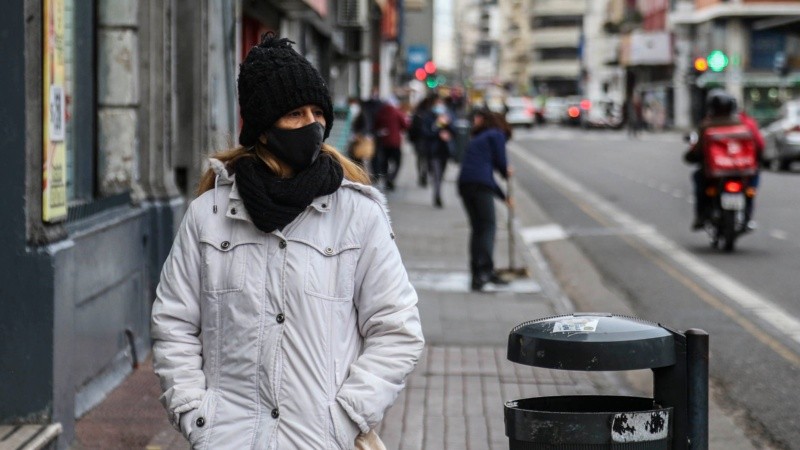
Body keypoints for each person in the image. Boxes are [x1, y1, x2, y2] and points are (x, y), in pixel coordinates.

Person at [151, 33, 424, 450]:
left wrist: (345, 418)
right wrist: (197, 416)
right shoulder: (208, 216)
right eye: (295, 114)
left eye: (318, 112)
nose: (311, 124)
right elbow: (174, 324)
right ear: (262, 130)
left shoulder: (358, 215)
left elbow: (397, 330)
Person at [684, 89, 757, 230]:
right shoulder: (741, 124)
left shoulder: (706, 125)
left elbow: (697, 150)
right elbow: (757, 147)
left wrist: (691, 156)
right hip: (741, 170)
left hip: (714, 174)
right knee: (751, 186)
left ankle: (701, 215)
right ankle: (747, 217)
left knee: (698, 180)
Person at [457, 109, 513, 291]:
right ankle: (485, 272)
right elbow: (500, 162)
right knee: (488, 228)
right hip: (480, 186)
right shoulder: (496, 134)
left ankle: (477, 273)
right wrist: (506, 171)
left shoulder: (479, 138)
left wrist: (503, 197)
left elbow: (484, 174)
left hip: (466, 184)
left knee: (478, 229)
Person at [422, 97, 454, 208]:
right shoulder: (429, 117)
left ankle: (437, 191)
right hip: (434, 151)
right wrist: (439, 127)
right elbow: (426, 133)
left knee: (441, 175)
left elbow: (453, 131)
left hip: (445, 151)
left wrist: (447, 124)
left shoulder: (447, 116)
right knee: (437, 174)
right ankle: (437, 196)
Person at [373, 99, 409, 190]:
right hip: (395, 142)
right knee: (397, 162)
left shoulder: (380, 113)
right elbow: (405, 125)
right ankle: (391, 178)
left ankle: (386, 178)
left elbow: (375, 126)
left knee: (384, 162)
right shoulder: (397, 112)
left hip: (383, 142)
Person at [408, 96, 434, 187]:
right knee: (425, 159)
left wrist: (412, 139)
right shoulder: (429, 114)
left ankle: (422, 175)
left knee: (421, 159)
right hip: (425, 140)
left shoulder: (418, 114)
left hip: (419, 141)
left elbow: (411, 129)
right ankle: (424, 175)